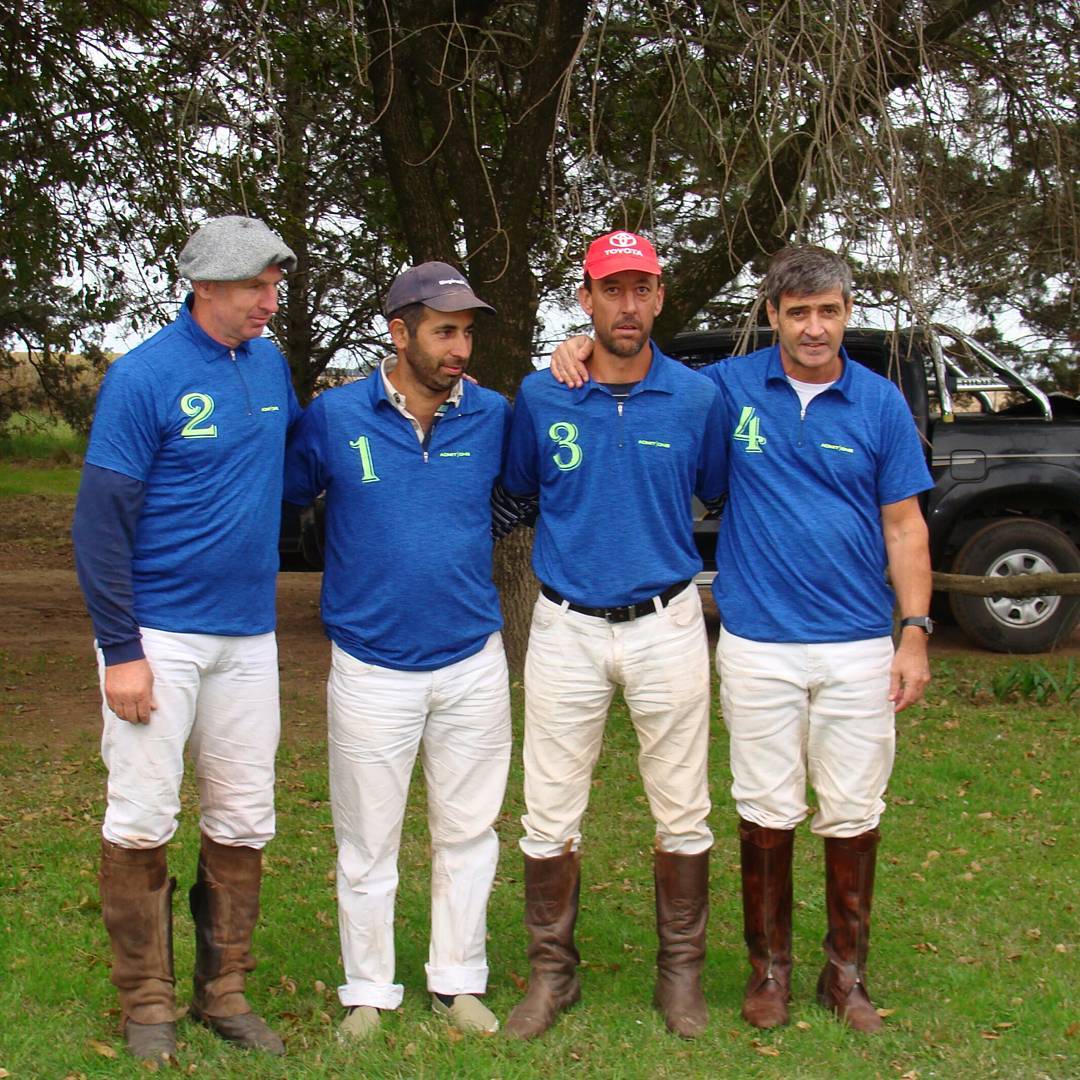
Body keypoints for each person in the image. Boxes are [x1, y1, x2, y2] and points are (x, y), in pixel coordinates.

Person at [551, 244, 934, 1034]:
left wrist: (915, 634)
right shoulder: (727, 389)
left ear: (847, 313)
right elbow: (640, 365)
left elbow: (905, 528)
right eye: (798, 313)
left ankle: (845, 975)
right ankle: (769, 972)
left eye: (828, 311)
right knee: (765, 809)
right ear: (773, 316)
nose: (814, 327)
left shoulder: (880, 404)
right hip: (758, 639)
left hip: (858, 643)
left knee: (853, 810)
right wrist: (577, 345)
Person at [72, 216, 300, 1062]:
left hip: (248, 636)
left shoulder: (269, 364)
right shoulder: (145, 376)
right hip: (158, 635)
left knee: (243, 814)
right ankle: (147, 1003)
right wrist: (121, 650)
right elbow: (99, 524)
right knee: (142, 814)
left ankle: (223, 990)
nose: (269, 303)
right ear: (204, 287)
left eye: (273, 287)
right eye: (254, 287)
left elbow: (298, 460)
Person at [500, 231, 728, 1040]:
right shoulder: (543, 395)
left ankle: (680, 976)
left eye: (641, 289)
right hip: (566, 624)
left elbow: (716, 490)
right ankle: (552, 975)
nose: (626, 306)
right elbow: (518, 493)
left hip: (667, 621)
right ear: (586, 299)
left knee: (683, 806)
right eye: (611, 289)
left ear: (659, 297)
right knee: (548, 809)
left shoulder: (697, 398)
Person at [283, 263, 516, 1043]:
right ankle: (367, 992)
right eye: (444, 331)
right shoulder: (335, 416)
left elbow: (518, 494)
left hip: (470, 658)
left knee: (468, 834)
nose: (461, 348)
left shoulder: (491, 414)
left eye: (467, 332)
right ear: (399, 331)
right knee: (367, 842)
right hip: (370, 662)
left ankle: (458, 981)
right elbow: (285, 491)